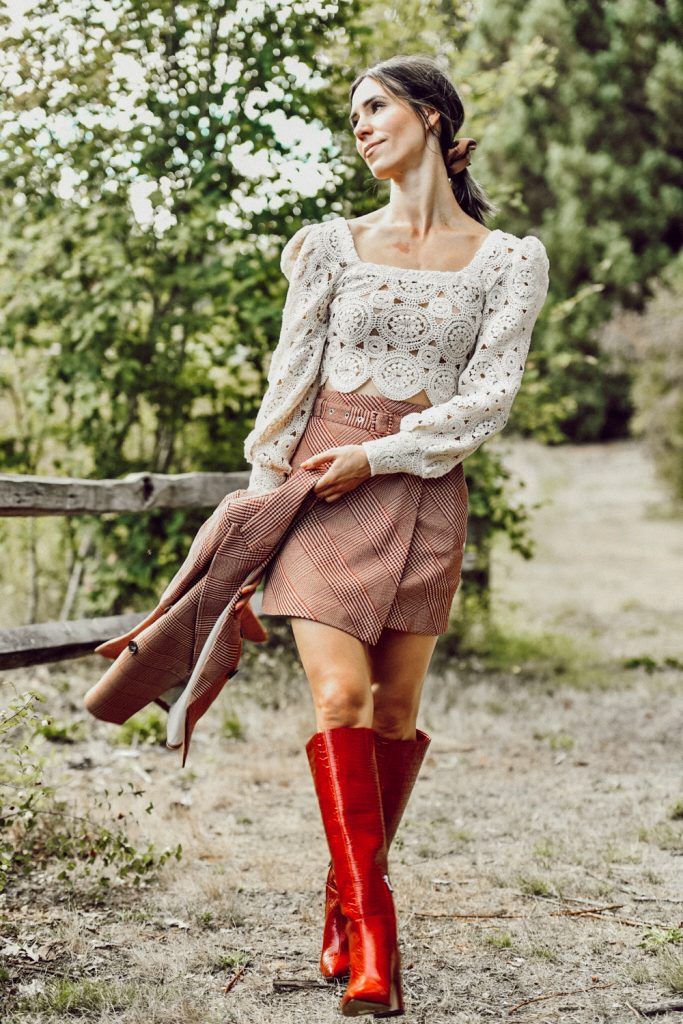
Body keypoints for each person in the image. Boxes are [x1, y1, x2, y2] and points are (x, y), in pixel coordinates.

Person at [237, 53, 550, 1018]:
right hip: (317, 494)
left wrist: (381, 460)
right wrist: (255, 523)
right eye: (353, 115)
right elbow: (287, 390)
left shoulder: (510, 261)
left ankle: (341, 898)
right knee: (339, 695)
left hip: (422, 494)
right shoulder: (329, 245)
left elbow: (488, 402)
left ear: (429, 118)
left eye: (374, 108)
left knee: (392, 718)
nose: (359, 126)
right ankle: (375, 930)